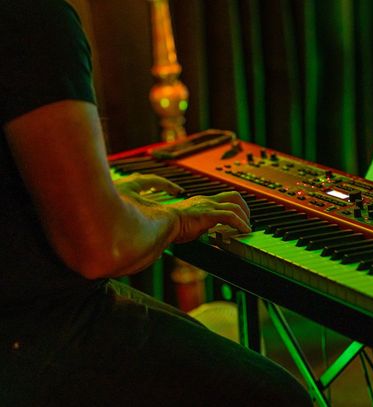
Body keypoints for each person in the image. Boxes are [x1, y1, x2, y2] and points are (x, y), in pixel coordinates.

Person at [0, 1, 312, 405]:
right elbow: (104, 247)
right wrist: (174, 219)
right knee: (278, 397)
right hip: (35, 336)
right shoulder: (32, 16)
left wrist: (98, 193)